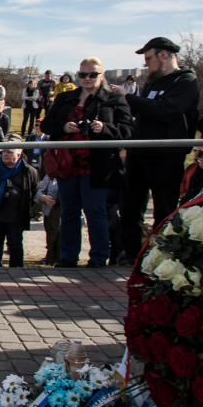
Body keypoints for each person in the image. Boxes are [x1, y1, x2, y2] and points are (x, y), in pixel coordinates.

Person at [110, 38, 199, 264]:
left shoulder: (185, 80)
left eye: (148, 58)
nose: (146, 63)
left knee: (164, 208)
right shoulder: (151, 82)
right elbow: (145, 110)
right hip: (138, 152)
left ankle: (162, 254)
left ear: (163, 55)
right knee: (130, 207)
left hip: (166, 155)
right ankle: (131, 253)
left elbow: (164, 110)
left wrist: (127, 97)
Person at [40, 57, 133, 268]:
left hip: (97, 165)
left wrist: (104, 128)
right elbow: (46, 125)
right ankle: (68, 257)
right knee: (69, 211)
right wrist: (63, 126)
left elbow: (128, 130)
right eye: (83, 74)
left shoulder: (114, 98)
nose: (87, 78)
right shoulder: (65, 97)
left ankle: (98, 258)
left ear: (102, 75)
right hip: (67, 164)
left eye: (92, 74)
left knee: (95, 211)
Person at [0, 145, 39, 268]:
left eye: (9, 152)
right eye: (4, 152)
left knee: (15, 244)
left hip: (16, 216)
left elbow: (34, 192)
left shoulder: (29, 171)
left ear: (18, 155)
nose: (5, 154)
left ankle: (16, 268)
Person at [34, 172, 61, 266]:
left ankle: (66, 258)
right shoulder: (50, 175)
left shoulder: (74, 175)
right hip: (49, 214)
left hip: (66, 216)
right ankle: (50, 257)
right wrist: (44, 198)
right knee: (51, 238)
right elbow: (38, 193)